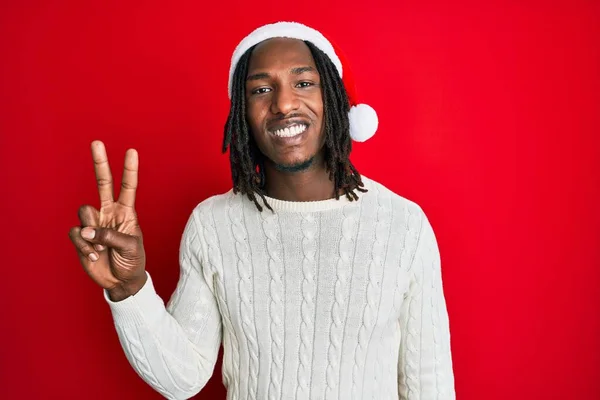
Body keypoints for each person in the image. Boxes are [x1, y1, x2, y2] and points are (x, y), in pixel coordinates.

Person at [69, 21, 455, 400]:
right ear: (243, 114)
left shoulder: (403, 225)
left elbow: (430, 384)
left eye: (303, 83)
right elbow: (181, 379)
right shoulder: (213, 224)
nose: (284, 104)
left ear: (334, 100)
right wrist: (128, 289)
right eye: (262, 89)